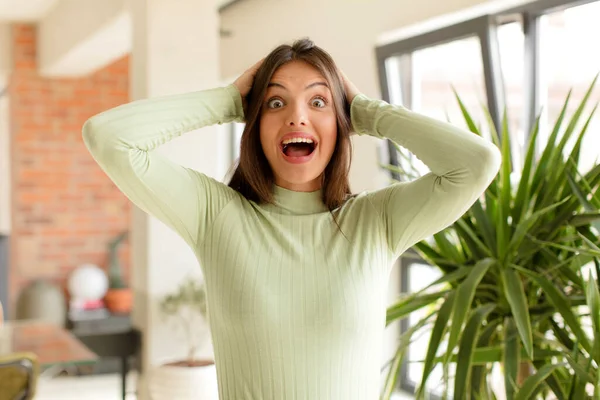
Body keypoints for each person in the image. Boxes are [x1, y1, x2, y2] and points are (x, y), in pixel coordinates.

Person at [82, 38, 501, 399]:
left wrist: (366, 111)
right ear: (254, 123)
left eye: (318, 102)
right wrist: (227, 101)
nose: (297, 117)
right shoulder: (215, 214)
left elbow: (477, 163)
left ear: (341, 124)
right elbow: (108, 138)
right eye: (275, 102)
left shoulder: (376, 220)